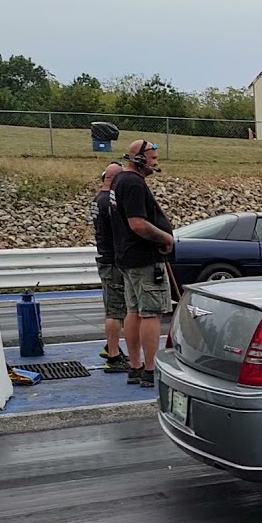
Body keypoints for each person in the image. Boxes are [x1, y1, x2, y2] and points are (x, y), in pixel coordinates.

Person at [108, 139, 175, 388]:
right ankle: (150, 369)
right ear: (138, 158)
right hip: (144, 259)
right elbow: (138, 224)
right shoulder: (134, 183)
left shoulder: (119, 181)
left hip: (127, 258)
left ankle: (136, 366)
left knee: (134, 312)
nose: (155, 164)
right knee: (151, 314)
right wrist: (165, 237)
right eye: (153, 159)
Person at [92, 161, 129, 373]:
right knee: (115, 311)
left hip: (106, 258)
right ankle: (114, 356)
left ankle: (111, 347)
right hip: (112, 260)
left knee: (114, 308)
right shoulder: (109, 202)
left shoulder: (99, 199)